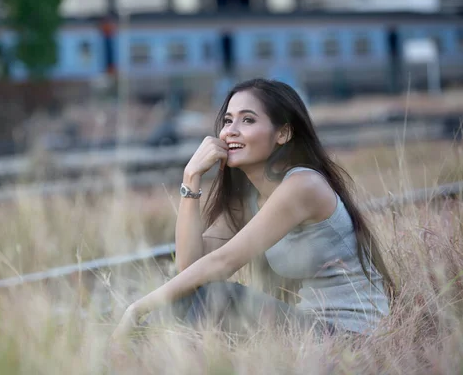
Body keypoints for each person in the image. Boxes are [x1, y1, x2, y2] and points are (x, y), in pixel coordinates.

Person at [111, 79, 393, 342]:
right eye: (227, 120)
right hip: (309, 331)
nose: (230, 131)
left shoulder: (304, 185)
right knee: (188, 298)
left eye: (247, 120)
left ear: (282, 133)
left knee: (215, 296)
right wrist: (191, 177)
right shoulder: (250, 199)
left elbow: (221, 264)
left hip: (350, 337)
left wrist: (139, 307)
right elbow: (190, 267)